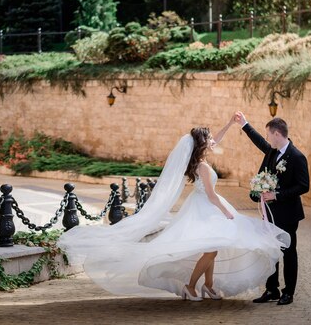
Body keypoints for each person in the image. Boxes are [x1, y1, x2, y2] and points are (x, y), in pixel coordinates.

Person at [58, 114, 290, 300]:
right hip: (207, 209)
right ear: (202, 144)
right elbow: (211, 196)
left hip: (200, 208)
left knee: (213, 247)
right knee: (211, 249)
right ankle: (191, 286)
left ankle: (208, 285)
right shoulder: (203, 168)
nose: (213, 141)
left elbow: (216, 141)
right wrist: (227, 212)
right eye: (208, 139)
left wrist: (230, 123)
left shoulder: (198, 162)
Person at [235, 112, 310, 306]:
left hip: (288, 214)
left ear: (277, 134)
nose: (267, 138)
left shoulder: (297, 157)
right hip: (270, 214)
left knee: (288, 252)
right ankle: (271, 289)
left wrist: (277, 195)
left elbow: (304, 186)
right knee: (269, 251)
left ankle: (288, 293)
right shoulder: (272, 152)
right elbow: (260, 141)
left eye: (269, 134)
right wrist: (244, 124)